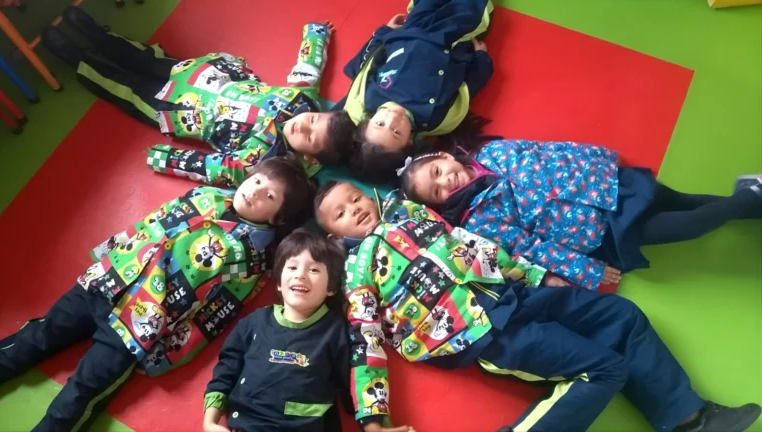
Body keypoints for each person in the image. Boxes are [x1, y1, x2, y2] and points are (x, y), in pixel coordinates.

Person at [313, 181, 761, 432]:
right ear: (335, 236)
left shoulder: (414, 214)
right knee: (603, 369)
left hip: (517, 296)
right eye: (340, 213)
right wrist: (373, 418)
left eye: (355, 198)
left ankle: (688, 418)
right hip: (480, 333)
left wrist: (531, 274)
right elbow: (364, 336)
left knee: (623, 316)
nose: (354, 209)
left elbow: (474, 244)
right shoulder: (357, 269)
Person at [0, 158, 316, 431]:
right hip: (108, 280)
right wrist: (110, 250)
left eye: (269, 195)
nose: (255, 190)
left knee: (81, 392)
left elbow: (219, 310)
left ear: (278, 218)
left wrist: (172, 352)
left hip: (140, 326)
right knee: (39, 335)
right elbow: (151, 222)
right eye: (257, 179)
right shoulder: (207, 195)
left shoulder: (251, 258)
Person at [42, 6, 356, 185]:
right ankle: (98, 34)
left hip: (172, 109)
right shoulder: (301, 100)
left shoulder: (264, 158)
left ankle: (78, 59)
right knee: (142, 56)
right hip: (198, 75)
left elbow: (215, 168)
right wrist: (317, 32)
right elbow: (308, 68)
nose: (304, 126)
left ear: (310, 156)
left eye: (311, 138)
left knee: (122, 85)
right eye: (314, 120)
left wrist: (164, 158)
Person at [398, 139, 762, 290]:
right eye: (438, 192)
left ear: (446, 158)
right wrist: (585, 270)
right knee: (692, 224)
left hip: (608, 185)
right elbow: (532, 248)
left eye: (438, 173)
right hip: (602, 230)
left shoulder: (494, 150)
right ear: (442, 205)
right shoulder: (479, 221)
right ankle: (750, 194)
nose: (447, 182)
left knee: (687, 202)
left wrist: (598, 155)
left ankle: (753, 201)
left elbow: (550, 148)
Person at [203, 231, 354, 432]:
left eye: (314, 270)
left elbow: (353, 384)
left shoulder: (336, 330)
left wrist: (372, 422)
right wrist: (210, 422)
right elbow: (225, 371)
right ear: (279, 282)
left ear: (332, 287)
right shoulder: (254, 323)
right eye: (292, 267)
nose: (300, 274)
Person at [336, 0, 495, 183]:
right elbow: (468, 89)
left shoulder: (369, 97)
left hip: (411, 29)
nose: (392, 118)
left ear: (368, 120)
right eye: (397, 132)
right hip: (451, 37)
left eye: (380, 123)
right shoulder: (433, 118)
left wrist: (384, 33)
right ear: (409, 141)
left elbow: (372, 61)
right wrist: (481, 60)